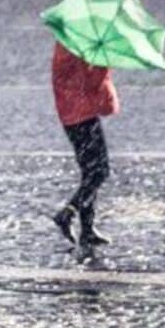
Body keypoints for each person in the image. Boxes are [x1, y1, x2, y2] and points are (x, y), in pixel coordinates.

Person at [50, 40, 117, 247]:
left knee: (89, 173)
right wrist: (103, 60)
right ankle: (68, 212)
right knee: (99, 172)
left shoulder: (65, 46)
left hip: (71, 116)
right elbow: (92, 82)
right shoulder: (78, 50)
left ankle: (87, 229)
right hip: (83, 116)